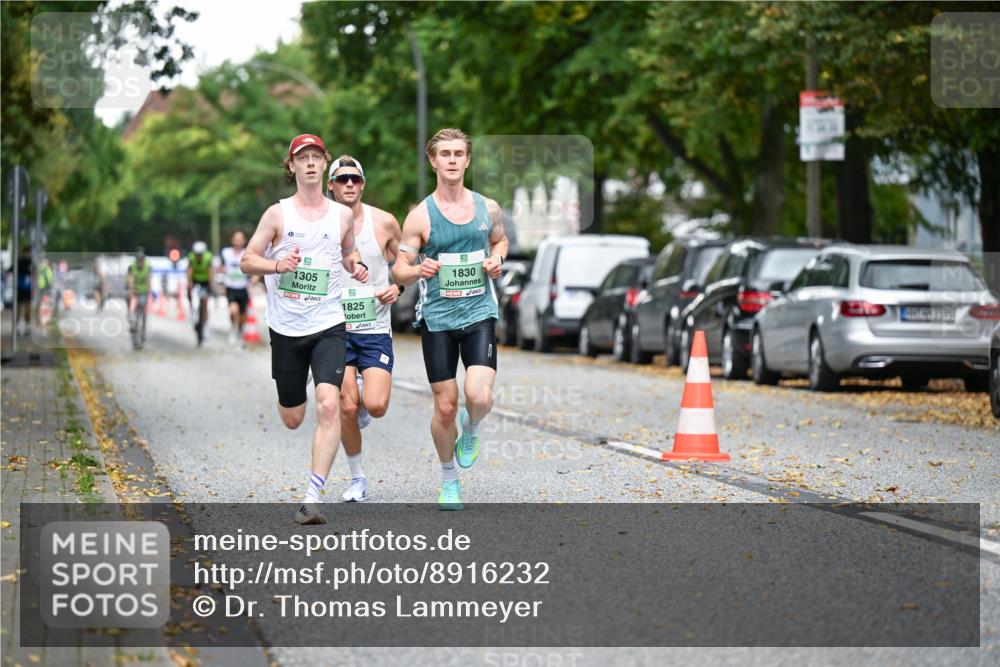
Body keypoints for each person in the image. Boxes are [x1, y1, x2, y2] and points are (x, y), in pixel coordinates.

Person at [240, 133, 368, 525]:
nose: (310, 163)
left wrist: (355, 264)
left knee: (330, 405)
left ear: (323, 164)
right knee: (294, 416)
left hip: (329, 322)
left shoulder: (342, 214)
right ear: (291, 166)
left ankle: (312, 497)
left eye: (316, 157)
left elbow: (348, 249)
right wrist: (277, 266)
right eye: (303, 158)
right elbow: (247, 260)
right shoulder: (277, 215)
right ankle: (293, 394)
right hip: (287, 328)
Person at [392, 128, 508, 510]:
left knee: (479, 395)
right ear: (433, 161)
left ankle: (471, 428)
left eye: (459, 153)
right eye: (445, 154)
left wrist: (498, 259)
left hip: (479, 312)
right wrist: (418, 271)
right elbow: (400, 268)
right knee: (444, 407)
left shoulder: (487, 207)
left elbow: (500, 240)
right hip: (438, 318)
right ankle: (448, 480)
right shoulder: (419, 216)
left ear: (468, 160)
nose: (453, 160)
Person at [327, 155, 401, 502]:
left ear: (363, 184)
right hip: (334, 329)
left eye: (355, 179)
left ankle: (363, 400)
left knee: (377, 405)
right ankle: (357, 479)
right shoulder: (320, 225)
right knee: (345, 406)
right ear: (331, 186)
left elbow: (405, 267)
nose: (349, 185)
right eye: (342, 179)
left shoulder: (384, 222)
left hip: (374, 327)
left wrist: (397, 288)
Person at [220, 230, 253, 347]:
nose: (238, 241)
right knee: (233, 311)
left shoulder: (247, 253)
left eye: (240, 239)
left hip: (243, 288)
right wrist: (222, 283)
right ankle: (233, 330)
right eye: (236, 239)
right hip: (231, 287)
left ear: (244, 241)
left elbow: (253, 270)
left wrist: (252, 281)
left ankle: (240, 332)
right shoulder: (226, 253)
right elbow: (222, 268)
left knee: (243, 316)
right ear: (232, 240)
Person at [187, 241, 213, 346]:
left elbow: (210, 271)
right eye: (197, 255)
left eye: (200, 255)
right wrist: (189, 284)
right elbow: (189, 271)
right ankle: (192, 313)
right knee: (190, 296)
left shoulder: (208, 257)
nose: (198, 257)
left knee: (205, 303)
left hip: (205, 282)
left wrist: (211, 284)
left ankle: (205, 326)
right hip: (195, 281)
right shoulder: (191, 257)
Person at [126, 249, 151, 347]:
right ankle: (131, 320)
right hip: (133, 291)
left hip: (143, 291)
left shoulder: (147, 267)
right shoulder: (132, 267)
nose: (140, 262)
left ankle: (143, 331)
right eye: (138, 260)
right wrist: (131, 291)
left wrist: (149, 291)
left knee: (143, 311)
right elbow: (131, 280)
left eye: (141, 260)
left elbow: (149, 280)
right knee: (131, 309)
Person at [16, 248, 32, 335]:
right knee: (20, 307)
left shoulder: (21, 261)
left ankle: (26, 327)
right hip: (22, 288)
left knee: (26, 307)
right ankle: (22, 327)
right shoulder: (21, 261)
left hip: (25, 288)